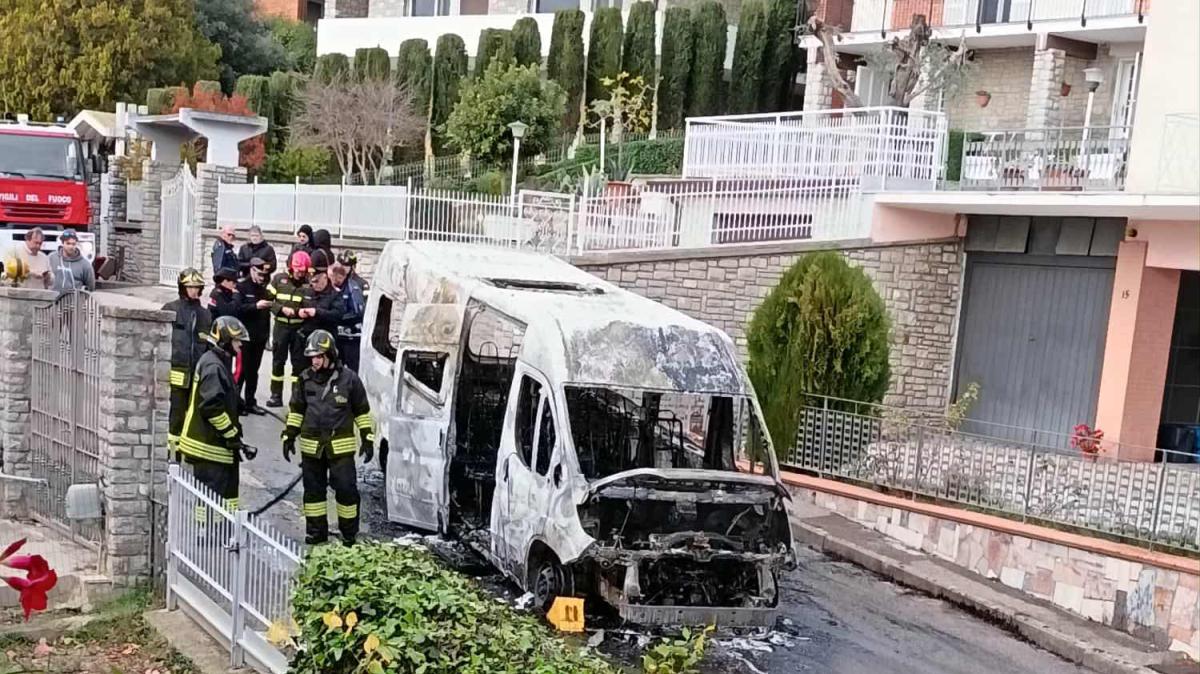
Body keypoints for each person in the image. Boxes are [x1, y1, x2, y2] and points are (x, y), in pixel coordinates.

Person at [282, 329, 373, 545]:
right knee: (313, 493)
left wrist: (367, 437)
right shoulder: (304, 380)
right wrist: (289, 435)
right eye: (311, 357)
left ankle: (349, 534)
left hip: (340, 449)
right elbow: (296, 410)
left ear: (330, 355)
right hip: (312, 448)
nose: (314, 361)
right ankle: (316, 532)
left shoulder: (349, 380)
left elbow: (362, 411)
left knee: (346, 491)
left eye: (318, 356)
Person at [179, 316, 254, 512]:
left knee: (225, 503)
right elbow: (211, 407)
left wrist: (236, 402)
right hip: (209, 448)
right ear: (225, 340)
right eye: (237, 341)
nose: (240, 345)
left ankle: (223, 528)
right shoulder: (214, 366)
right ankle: (208, 530)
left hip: (213, 446)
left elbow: (219, 396)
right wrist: (232, 435)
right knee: (211, 504)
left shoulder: (216, 361)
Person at [162, 268, 212, 452]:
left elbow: (209, 346)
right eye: (190, 287)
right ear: (182, 288)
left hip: (197, 375)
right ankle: (171, 453)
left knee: (194, 415)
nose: (194, 291)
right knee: (175, 415)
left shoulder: (205, 315)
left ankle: (186, 450)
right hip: (176, 374)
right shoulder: (170, 309)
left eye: (197, 287)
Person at [266, 250, 311, 408]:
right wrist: (281, 309)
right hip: (281, 327)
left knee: (298, 365)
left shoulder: (308, 284)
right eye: (298, 270)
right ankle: (275, 396)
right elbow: (267, 300)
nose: (300, 274)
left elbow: (311, 304)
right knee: (278, 362)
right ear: (292, 268)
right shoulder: (279, 280)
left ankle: (295, 399)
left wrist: (298, 312)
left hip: (299, 329)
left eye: (303, 271)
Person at [236, 258, 273, 415]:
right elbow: (238, 309)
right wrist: (255, 306)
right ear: (251, 270)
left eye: (264, 275)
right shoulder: (242, 287)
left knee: (253, 372)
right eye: (259, 274)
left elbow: (266, 316)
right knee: (242, 371)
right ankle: (236, 402)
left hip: (259, 337)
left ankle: (250, 402)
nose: (261, 278)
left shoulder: (263, 289)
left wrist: (267, 337)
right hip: (245, 337)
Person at [333, 251, 367, 372]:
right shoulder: (335, 282)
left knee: (354, 371)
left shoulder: (361, 284)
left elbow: (362, 311)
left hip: (353, 337)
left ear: (353, 267)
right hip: (337, 336)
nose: (342, 268)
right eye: (340, 264)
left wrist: (340, 317)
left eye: (346, 266)